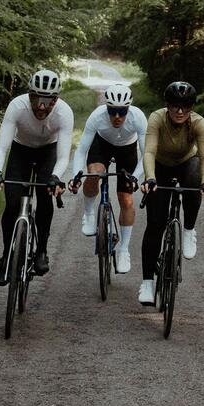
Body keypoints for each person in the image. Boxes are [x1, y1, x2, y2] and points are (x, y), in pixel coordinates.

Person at [0, 68, 75, 285]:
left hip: (48, 152)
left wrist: (55, 176)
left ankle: (41, 251)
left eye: (49, 101)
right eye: (36, 99)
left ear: (57, 99)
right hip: (21, 150)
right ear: (29, 95)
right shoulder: (17, 106)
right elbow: (1, 148)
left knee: (45, 197)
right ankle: (7, 256)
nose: (42, 107)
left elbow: (63, 156)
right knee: (12, 203)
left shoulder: (64, 113)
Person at [136, 79, 204, 305]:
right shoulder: (157, 118)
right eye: (175, 106)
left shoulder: (198, 122)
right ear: (167, 105)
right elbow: (148, 151)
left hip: (186, 162)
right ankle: (147, 283)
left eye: (186, 107)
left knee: (194, 179)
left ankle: (188, 229)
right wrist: (150, 178)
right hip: (159, 165)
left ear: (191, 108)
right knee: (155, 225)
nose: (180, 111)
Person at [69, 81, 145, 274]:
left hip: (128, 149)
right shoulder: (97, 117)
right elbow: (81, 151)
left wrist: (135, 178)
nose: (117, 117)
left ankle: (123, 250)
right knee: (94, 174)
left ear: (128, 108)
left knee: (126, 199)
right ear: (107, 108)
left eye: (122, 111)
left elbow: (147, 155)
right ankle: (88, 214)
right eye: (112, 111)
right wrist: (77, 174)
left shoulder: (138, 117)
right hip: (102, 145)